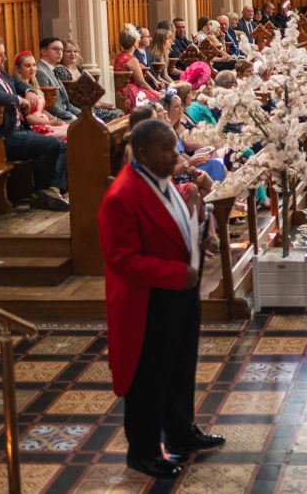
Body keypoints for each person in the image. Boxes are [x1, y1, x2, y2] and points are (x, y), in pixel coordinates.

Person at [99, 119, 224, 479]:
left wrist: (196, 235)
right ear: (142, 154)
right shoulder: (122, 195)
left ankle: (181, 432)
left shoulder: (159, 181)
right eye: (167, 150)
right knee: (149, 376)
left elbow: (169, 225)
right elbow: (120, 259)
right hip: (148, 300)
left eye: (175, 148)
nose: (176, 155)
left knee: (180, 366)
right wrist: (175, 273)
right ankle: (144, 452)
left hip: (180, 292)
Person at [0, 36, 68, 211]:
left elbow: (18, 83)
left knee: (61, 143)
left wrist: (29, 91)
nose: (4, 58)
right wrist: (18, 99)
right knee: (51, 145)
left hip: (18, 130)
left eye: (4, 54)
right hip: (0, 137)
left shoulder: (0, 73)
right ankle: (40, 193)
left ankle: (53, 189)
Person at [54, 39, 125, 123]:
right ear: (63, 53)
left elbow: (92, 91)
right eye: (69, 51)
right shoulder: (60, 69)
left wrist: (102, 103)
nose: (73, 54)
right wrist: (99, 104)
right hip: (77, 107)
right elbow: (74, 96)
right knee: (116, 114)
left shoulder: (79, 68)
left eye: (75, 51)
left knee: (119, 112)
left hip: (89, 104)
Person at [14, 52, 69, 140]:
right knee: (69, 134)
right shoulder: (20, 90)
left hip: (45, 122)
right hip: (34, 127)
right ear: (18, 68)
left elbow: (40, 110)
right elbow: (26, 118)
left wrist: (52, 118)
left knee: (74, 129)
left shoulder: (33, 87)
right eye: (28, 66)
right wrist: (49, 122)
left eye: (34, 65)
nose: (32, 69)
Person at [114, 25, 161, 110]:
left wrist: (155, 80)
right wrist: (155, 92)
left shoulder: (121, 55)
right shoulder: (132, 60)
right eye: (137, 39)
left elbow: (142, 67)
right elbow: (141, 83)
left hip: (120, 91)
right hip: (129, 92)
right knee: (160, 99)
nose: (138, 41)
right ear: (134, 42)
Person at [36, 37, 80, 121]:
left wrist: (82, 113)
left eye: (61, 49)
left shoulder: (53, 69)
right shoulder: (40, 71)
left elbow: (67, 104)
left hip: (65, 114)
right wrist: (72, 117)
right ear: (43, 51)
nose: (59, 52)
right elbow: (48, 106)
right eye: (55, 49)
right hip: (55, 118)